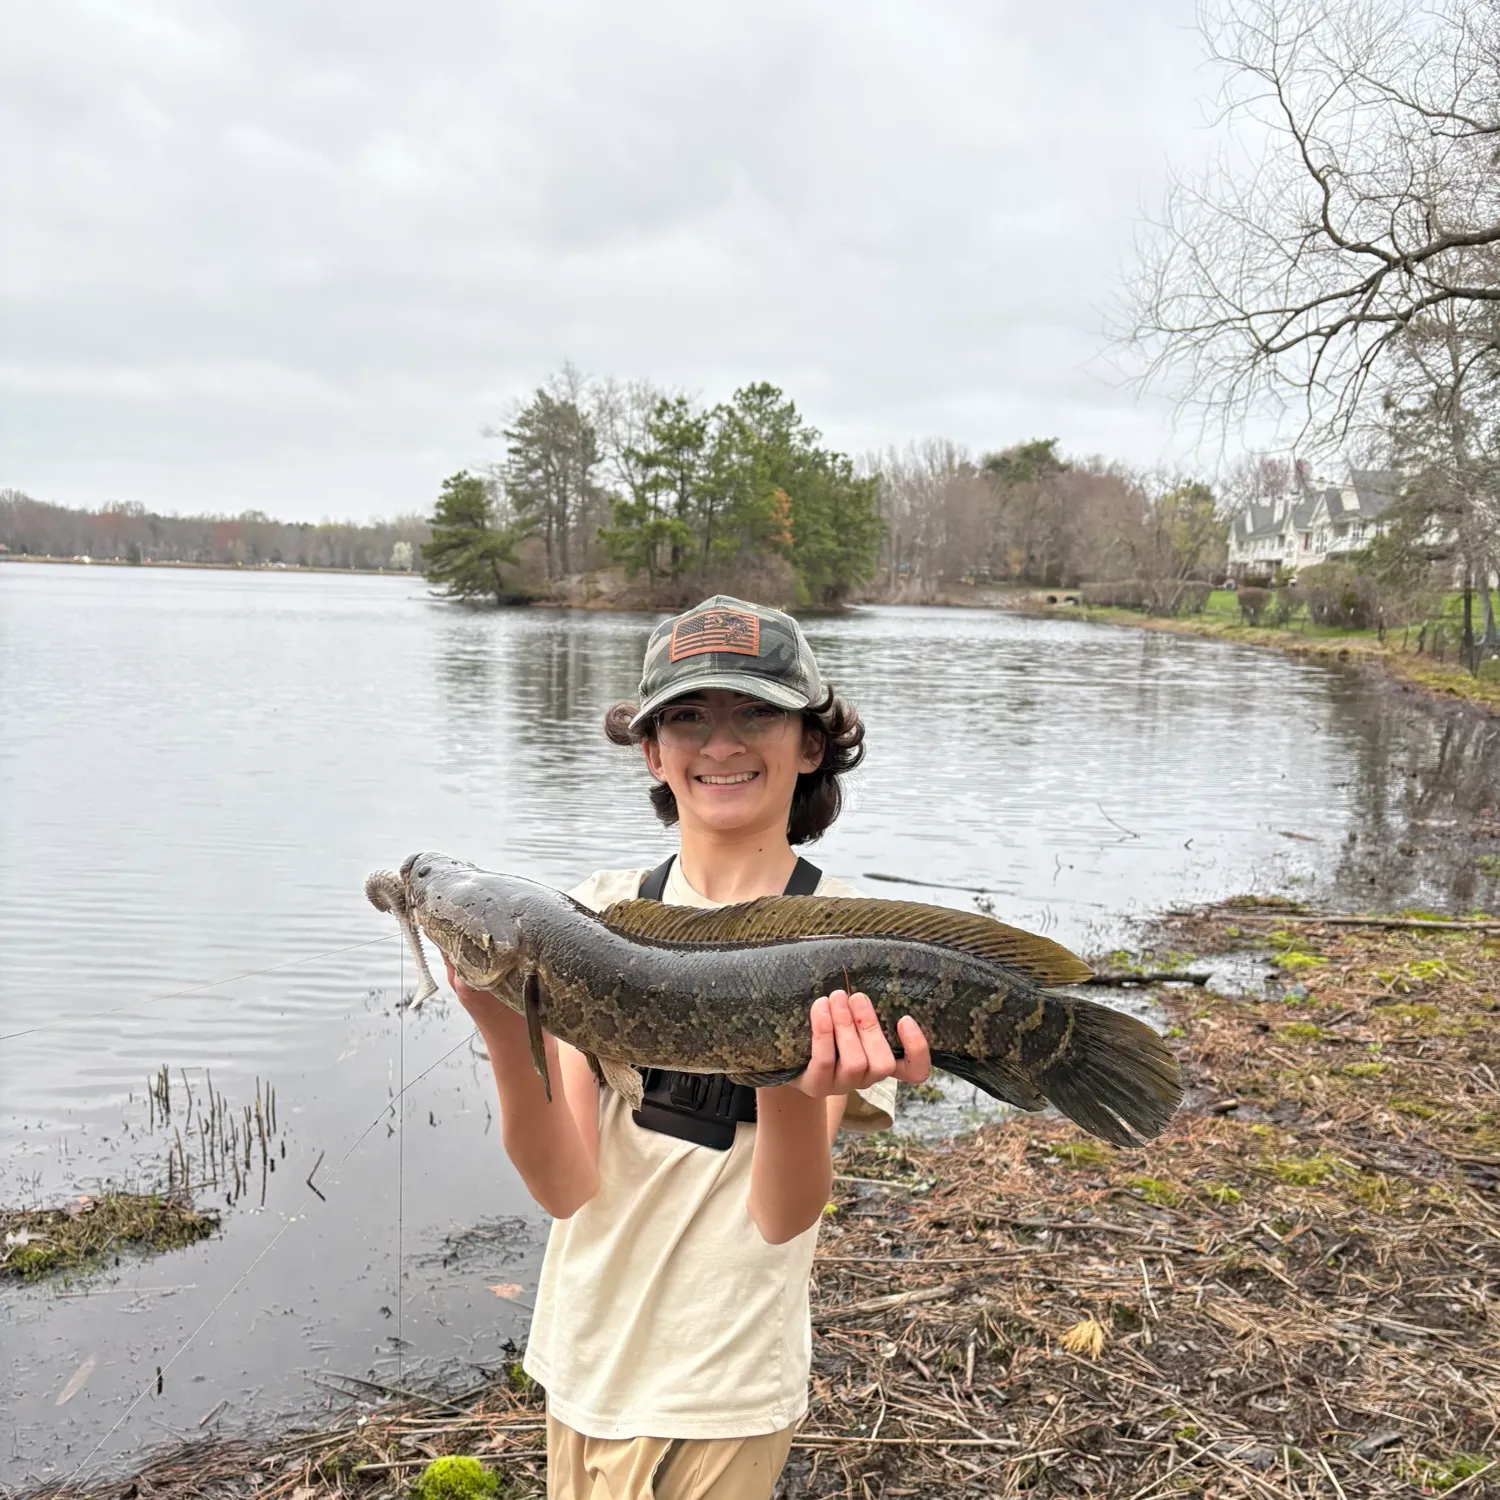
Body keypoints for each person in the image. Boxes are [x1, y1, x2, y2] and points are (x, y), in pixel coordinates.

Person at [442, 595, 932, 1500]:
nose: (721, 744)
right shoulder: (593, 914)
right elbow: (565, 1187)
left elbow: (784, 1215)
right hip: (583, 1359)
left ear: (811, 744)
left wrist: (787, 1070)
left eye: (756, 714)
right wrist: (509, 1031)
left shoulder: (847, 946)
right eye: (689, 718)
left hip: (726, 1385)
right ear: (652, 751)